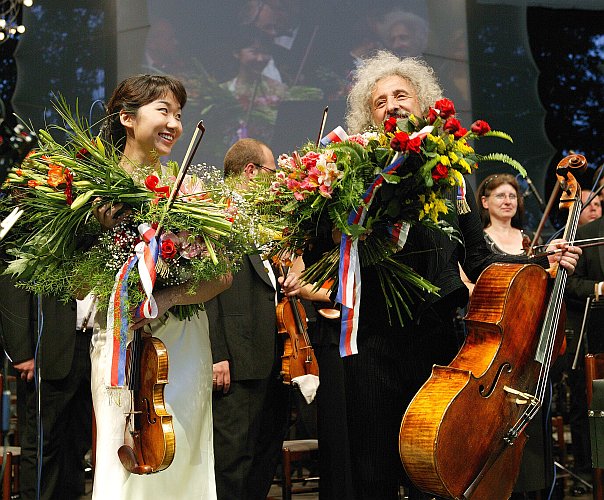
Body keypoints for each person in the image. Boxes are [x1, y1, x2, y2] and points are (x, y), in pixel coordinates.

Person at [323, 50, 582, 499]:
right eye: (379, 102)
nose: (391, 105)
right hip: (373, 340)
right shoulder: (358, 176)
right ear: (369, 116)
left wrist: (541, 261)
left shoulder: (451, 178)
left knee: (436, 468)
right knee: (373, 470)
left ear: (423, 103)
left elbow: (480, 260)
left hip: (440, 343)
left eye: (400, 95)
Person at [89, 74, 232, 499]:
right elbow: (79, 281)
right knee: (122, 456)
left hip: (183, 342)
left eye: (179, 115)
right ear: (127, 118)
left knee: (182, 454)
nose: (174, 124)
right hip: (119, 340)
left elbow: (221, 275)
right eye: (163, 111)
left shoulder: (190, 189)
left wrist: (164, 299)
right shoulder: (94, 191)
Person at [205, 137, 299, 500]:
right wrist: (217, 354)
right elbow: (207, 291)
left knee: (265, 451)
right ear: (251, 171)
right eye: (272, 173)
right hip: (236, 358)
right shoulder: (218, 213)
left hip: (274, 355)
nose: (276, 182)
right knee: (233, 458)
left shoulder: (267, 221)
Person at [474, 174, 556, 497]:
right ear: (485, 202)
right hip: (496, 341)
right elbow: (472, 282)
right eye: (500, 196)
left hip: (530, 338)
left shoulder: (528, 241)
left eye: (512, 196)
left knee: (534, 422)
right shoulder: (480, 243)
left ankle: (533, 485)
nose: (508, 201)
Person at [0, 279, 92, 500]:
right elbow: (11, 281)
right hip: (47, 344)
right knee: (42, 444)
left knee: (77, 444)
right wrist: (21, 350)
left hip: (94, 342)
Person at [565, 211, 604, 495]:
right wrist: (599, 288)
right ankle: (586, 472)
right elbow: (570, 282)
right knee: (587, 402)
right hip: (593, 333)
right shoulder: (589, 232)